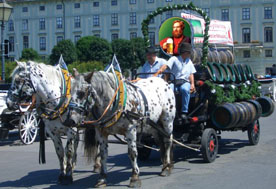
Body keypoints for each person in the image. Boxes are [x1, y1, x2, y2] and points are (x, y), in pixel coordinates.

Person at [154, 42, 196, 119]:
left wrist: (192, 84)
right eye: (189, 52)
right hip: (175, 82)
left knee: (185, 89)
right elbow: (166, 66)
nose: (190, 54)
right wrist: (158, 72)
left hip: (185, 82)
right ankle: (168, 109)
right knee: (168, 89)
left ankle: (184, 111)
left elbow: (191, 74)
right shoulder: (174, 59)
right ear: (185, 52)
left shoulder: (189, 61)